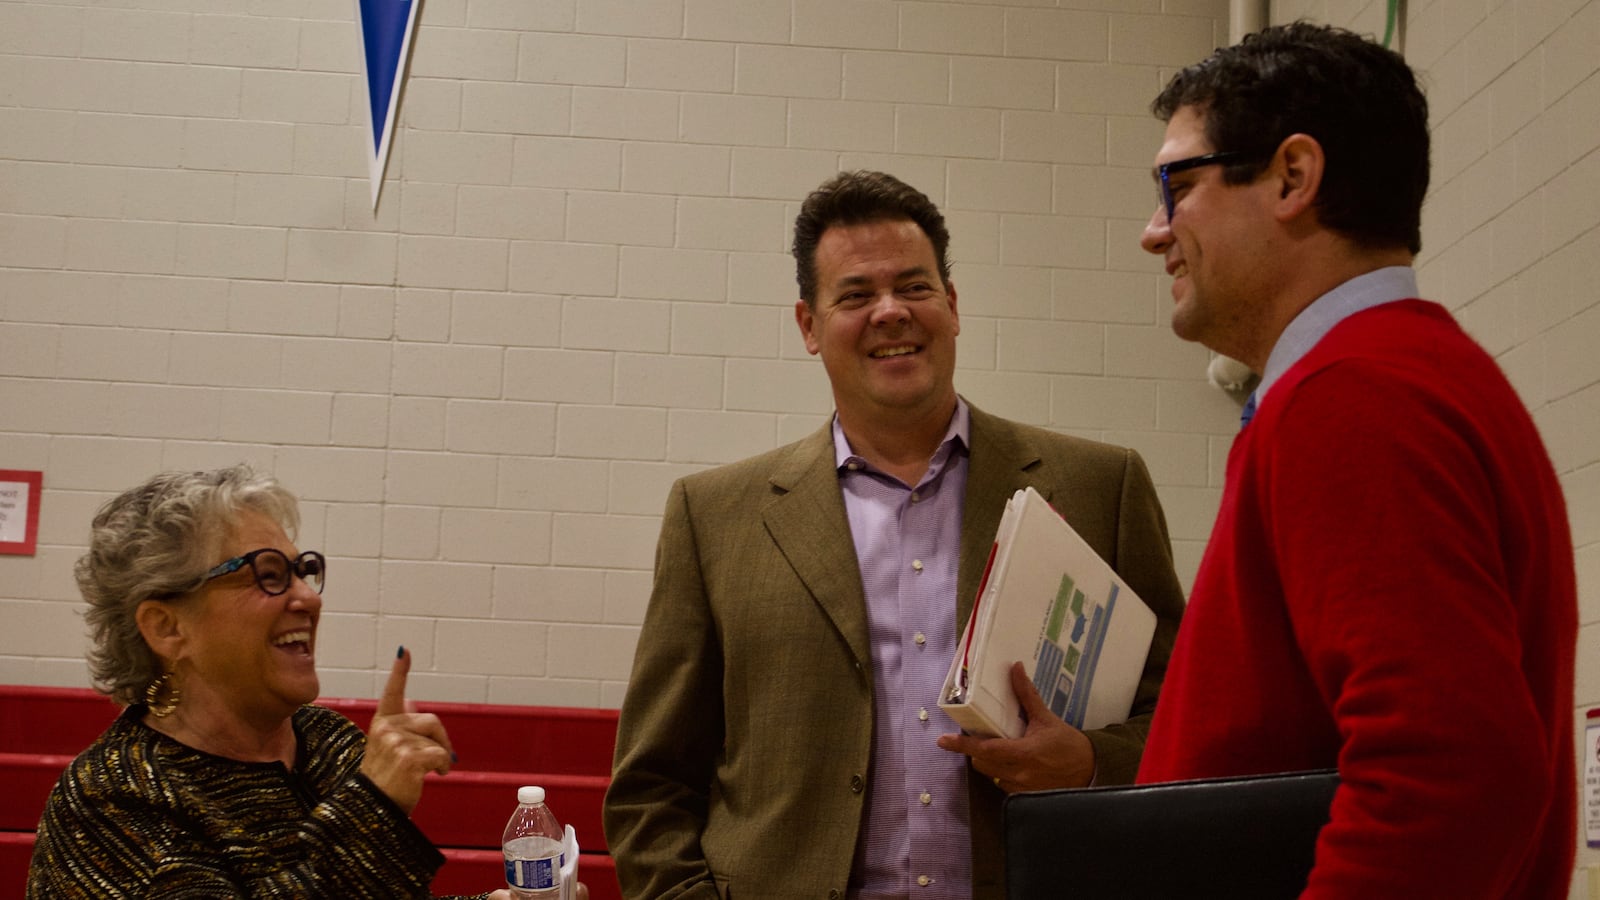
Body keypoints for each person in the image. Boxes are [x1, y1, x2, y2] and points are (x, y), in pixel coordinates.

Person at [604, 170, 1187, 899]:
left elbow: (1185, 717)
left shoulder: (1101, 487)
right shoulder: (714, 517)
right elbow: (652, 785)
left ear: (952, 305)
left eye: (914, 287)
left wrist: (1090, 763)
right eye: (854, 296)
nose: (890, 312)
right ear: (809, 327)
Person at [1134, 22, 1577, 899]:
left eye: (1175, 185)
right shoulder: (1421, 374)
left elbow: (1449, 771)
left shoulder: (1354, 396)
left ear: (1293, 176)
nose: (1154, 232)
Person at [25, 465, 526, 899]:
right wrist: (375, 811)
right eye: (267, 574)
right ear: (166, 626)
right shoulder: (110, 801)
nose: (308, 598)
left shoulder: (328, 743)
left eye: (302, 570)